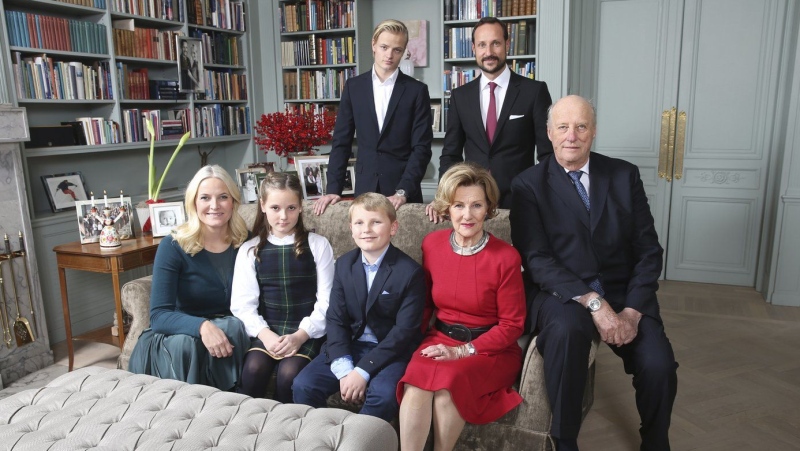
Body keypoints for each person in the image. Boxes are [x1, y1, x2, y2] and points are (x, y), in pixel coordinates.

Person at [510, 95, 678, 450]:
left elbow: (649, 250)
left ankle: (656, 441)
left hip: (623, 290)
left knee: (658, 363)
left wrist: (632, 310)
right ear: (549, 134)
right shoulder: (528, 184)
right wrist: (593, 303)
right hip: (564, 292)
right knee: (568, 333)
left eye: (581, 126)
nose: (572, 136)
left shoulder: (623, 175)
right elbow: (537, 259)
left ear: (594, 131)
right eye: (563, 127)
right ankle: (564, 438)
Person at [398, 162, 526, 450]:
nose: (467, 215)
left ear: (489, 208)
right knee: (415, 383)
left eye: (476, 205)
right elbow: (426, 305)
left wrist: (462, 351)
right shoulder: (431, 244)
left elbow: (512, 325)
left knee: (448, 388)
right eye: (458, 205)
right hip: (440, 338)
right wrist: (406, 339)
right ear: (447, 208)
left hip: (490, 348)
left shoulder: (507, 258)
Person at [293, 193, 426, 422]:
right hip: (349, 346)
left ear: (393, 228)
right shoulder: (344, 264)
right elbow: (336, 319)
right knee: (303, 385)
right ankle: (322, 440)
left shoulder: (410, 272)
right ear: (351, 228)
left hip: (390, 352)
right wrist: (345, 370)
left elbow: (404, 332)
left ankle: (356, 443)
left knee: (384, 396)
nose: (367, 229)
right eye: (359, 223)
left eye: (376, 222)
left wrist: (362, 371)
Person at [129, 165, 250, 390]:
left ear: (233, 201)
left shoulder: (245, 241)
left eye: (223, 197)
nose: (214, 206)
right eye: (205, 198)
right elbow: (158, 316)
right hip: (177, 336)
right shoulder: (173, 245)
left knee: (233, 327)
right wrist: (203, 326)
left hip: (226, 329)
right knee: (187, 344)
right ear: (194, 203)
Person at [428, 16, 552, 219]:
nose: (489, 52)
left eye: (495, 43)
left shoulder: (534, 91)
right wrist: (443, 196)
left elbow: (547, 154)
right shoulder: (460, 96)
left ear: (507, 44)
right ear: (474, 48)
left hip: (521, 200)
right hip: (472, 203)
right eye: (482, 45)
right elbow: (451, 154)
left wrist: (543, 194)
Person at [230, 172, 335, 402]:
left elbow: (327, 301)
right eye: (275, 208)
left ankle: (284, 430)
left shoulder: (318, 245)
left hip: (306, 332)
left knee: (289, 375)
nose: (283, 216)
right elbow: (242, 304)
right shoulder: (250, 250)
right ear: (263, 206)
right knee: (254, 369)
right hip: (267, 330)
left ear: (300, 207)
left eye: (291, 208)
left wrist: (300, 336)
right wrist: (265, 335)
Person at [313, 19, 433, 215]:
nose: (389, 55)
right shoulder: (354, 87)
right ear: (373, 45)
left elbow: (421, 148)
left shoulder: (417, 91)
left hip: (403, 194)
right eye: (384, 47)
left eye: (397, 50)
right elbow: (341, 142)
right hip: (364, 190)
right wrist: (333, 189)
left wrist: (403, 191)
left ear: (403, 52)